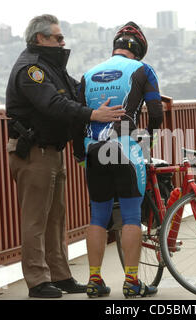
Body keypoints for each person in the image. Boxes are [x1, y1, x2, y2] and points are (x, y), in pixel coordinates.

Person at [5, 14, 125, 299]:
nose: (63, 41)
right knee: (35, 219)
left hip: (52, 151)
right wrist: (93, 115)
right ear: (41, 39)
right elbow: (54, 104)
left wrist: (105, 88)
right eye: (58, 38)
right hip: (33, 152)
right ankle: (37, 281)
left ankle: (59, 276)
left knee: (56, 218)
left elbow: (76, 94)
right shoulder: (31, 69)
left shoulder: (51, 67)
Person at [73, 21, 163, 298]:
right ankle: (132, 282)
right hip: (125, 148)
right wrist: (147, 138)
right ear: (138, 50)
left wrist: (80, 155)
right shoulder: (142, 70)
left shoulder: (88, 75)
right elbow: (156, 112)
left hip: (93, 150)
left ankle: (94, 280)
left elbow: (77, 120)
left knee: (98, 217)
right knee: (132, 217)